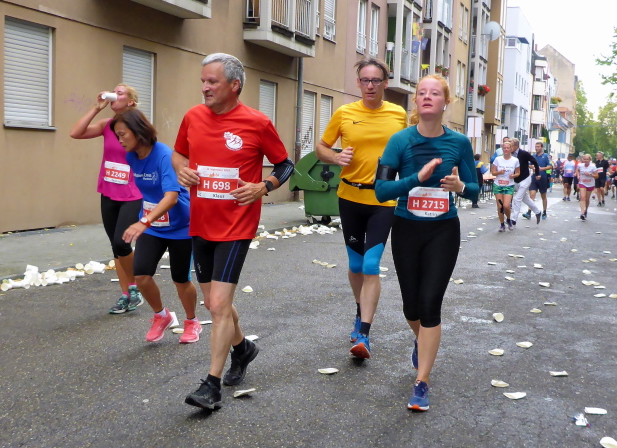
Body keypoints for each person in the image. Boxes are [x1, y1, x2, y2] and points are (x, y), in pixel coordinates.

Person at [173, 53, 295, 410]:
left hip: (236, 226)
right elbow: (178, 154)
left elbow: (286, 164)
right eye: (203, 81)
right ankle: (243, 349)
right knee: (215, 303)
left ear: (234, 85)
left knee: (218, 305)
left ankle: (211, 386)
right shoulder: (192, 117)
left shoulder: (257, 122)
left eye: (212, 81)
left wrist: (263, 186)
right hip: (200, 222)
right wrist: (181, 170)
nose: (205, 87)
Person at [374, 74, 478, 412]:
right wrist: (415, 179)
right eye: (422, 92)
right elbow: (381, 190)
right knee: (411, 308)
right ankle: (422, 341)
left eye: (435, 93)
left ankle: (422, 382)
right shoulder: (399, 141)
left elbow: (475, 189)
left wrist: (460, 187)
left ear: (446, 101)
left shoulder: (459, 143)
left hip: (443, 231)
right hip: (406, 228)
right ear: (416, 101)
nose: (428, 97)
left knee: (430, 304)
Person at [316, 58, 408, 359]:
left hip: (383, 200)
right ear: (358, 83)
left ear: (385, 83)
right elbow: (322, 146)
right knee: (356, 265)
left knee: (370, 265)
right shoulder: (345, 113)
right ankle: (360, 311)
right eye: (365, 80)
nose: (370, 85)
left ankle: (364, 335)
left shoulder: (398, 114)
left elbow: (408, 149)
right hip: (350, 197)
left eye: (376, 80)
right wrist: (335, 157)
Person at [111, 109, 202, 344]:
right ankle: (161, 316)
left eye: (122, 134)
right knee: (141, 276)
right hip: (153, 226)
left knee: (180, 279)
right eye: (117, 136)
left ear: (138, 131)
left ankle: (191, 321)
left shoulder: (164, 155)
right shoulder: (131, 157)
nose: (119, 140)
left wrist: (142, 221)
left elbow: (171, 197)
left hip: (180, 225)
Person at [70, 84, 144, 314]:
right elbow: (76, 133)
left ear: (130, 101)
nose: (114, 95)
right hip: (109, 191)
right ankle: (125, 295)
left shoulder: (137, 125)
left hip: (132, 193)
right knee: (115, 246)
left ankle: (136, 286)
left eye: (120, 93)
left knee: (122, 243)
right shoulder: (107, 125)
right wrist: (96, 107)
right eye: (114, 91)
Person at [508, 138, 541, 226]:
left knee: (517, 198)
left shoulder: (524, 153)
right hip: (516, 180)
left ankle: (514, 219)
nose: (510, 148)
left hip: (525, 179)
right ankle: (537, 212)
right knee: (525, 199)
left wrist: (537, 173)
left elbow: (534, 161)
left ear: (516, 146)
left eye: (511, 146)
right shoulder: (510, 155)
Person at [492, 141, 520, 232]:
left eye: (508, 148)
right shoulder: (498, 159)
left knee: (506, 206)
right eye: (504, 148)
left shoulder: (515, 160)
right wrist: (500, 172)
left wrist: (513, 175)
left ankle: (508, 219)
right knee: (500, 206)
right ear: (502, 149)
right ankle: (502, 224)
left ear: (511, 149)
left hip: (509, 185)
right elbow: (493, 172)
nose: (506, 149)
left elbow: (518, 173)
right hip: (498, 185)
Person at [523, 141, 551, 220]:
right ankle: (529, 212)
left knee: (543, 195)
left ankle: (544, 212)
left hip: (543, 177)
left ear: (542, 148)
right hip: (534, 177)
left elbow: (550, 166)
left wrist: (542, 168)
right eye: (536, 146)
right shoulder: (533, 156)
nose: (537, 148)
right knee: (532, 195)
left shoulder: (546, 156)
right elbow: (528, 164)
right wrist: (532, 167)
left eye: (538, 146)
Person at [576, 154, 598, 220]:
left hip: (590, 184)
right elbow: (577, 170)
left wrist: (590, 174)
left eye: (587, 159)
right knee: (582, 197)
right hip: (582, 183)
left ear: (590, 160)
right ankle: (582, 213)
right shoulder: (580, 165)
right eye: (584, 159)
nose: (585, 160)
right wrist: (578, 175)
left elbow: (597, 176)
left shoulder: (593, 166)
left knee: (587, 199)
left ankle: (586, 210)